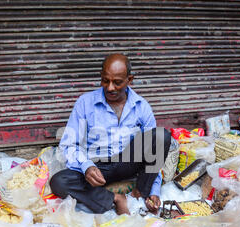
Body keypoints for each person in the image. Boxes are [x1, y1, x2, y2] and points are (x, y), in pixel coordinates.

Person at [50, 53, 171, 215]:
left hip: (127, 163)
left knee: (160, 136)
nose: (110, 87)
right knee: (59, 182)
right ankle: (115, 198)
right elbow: (69, 144)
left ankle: (141, 193)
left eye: (117, 82)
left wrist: (154, 190)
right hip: (97, 167)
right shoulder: (85, 103)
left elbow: (154, 153)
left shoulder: (142, 107)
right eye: (105, 80)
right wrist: (87, 166)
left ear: (130, 80)